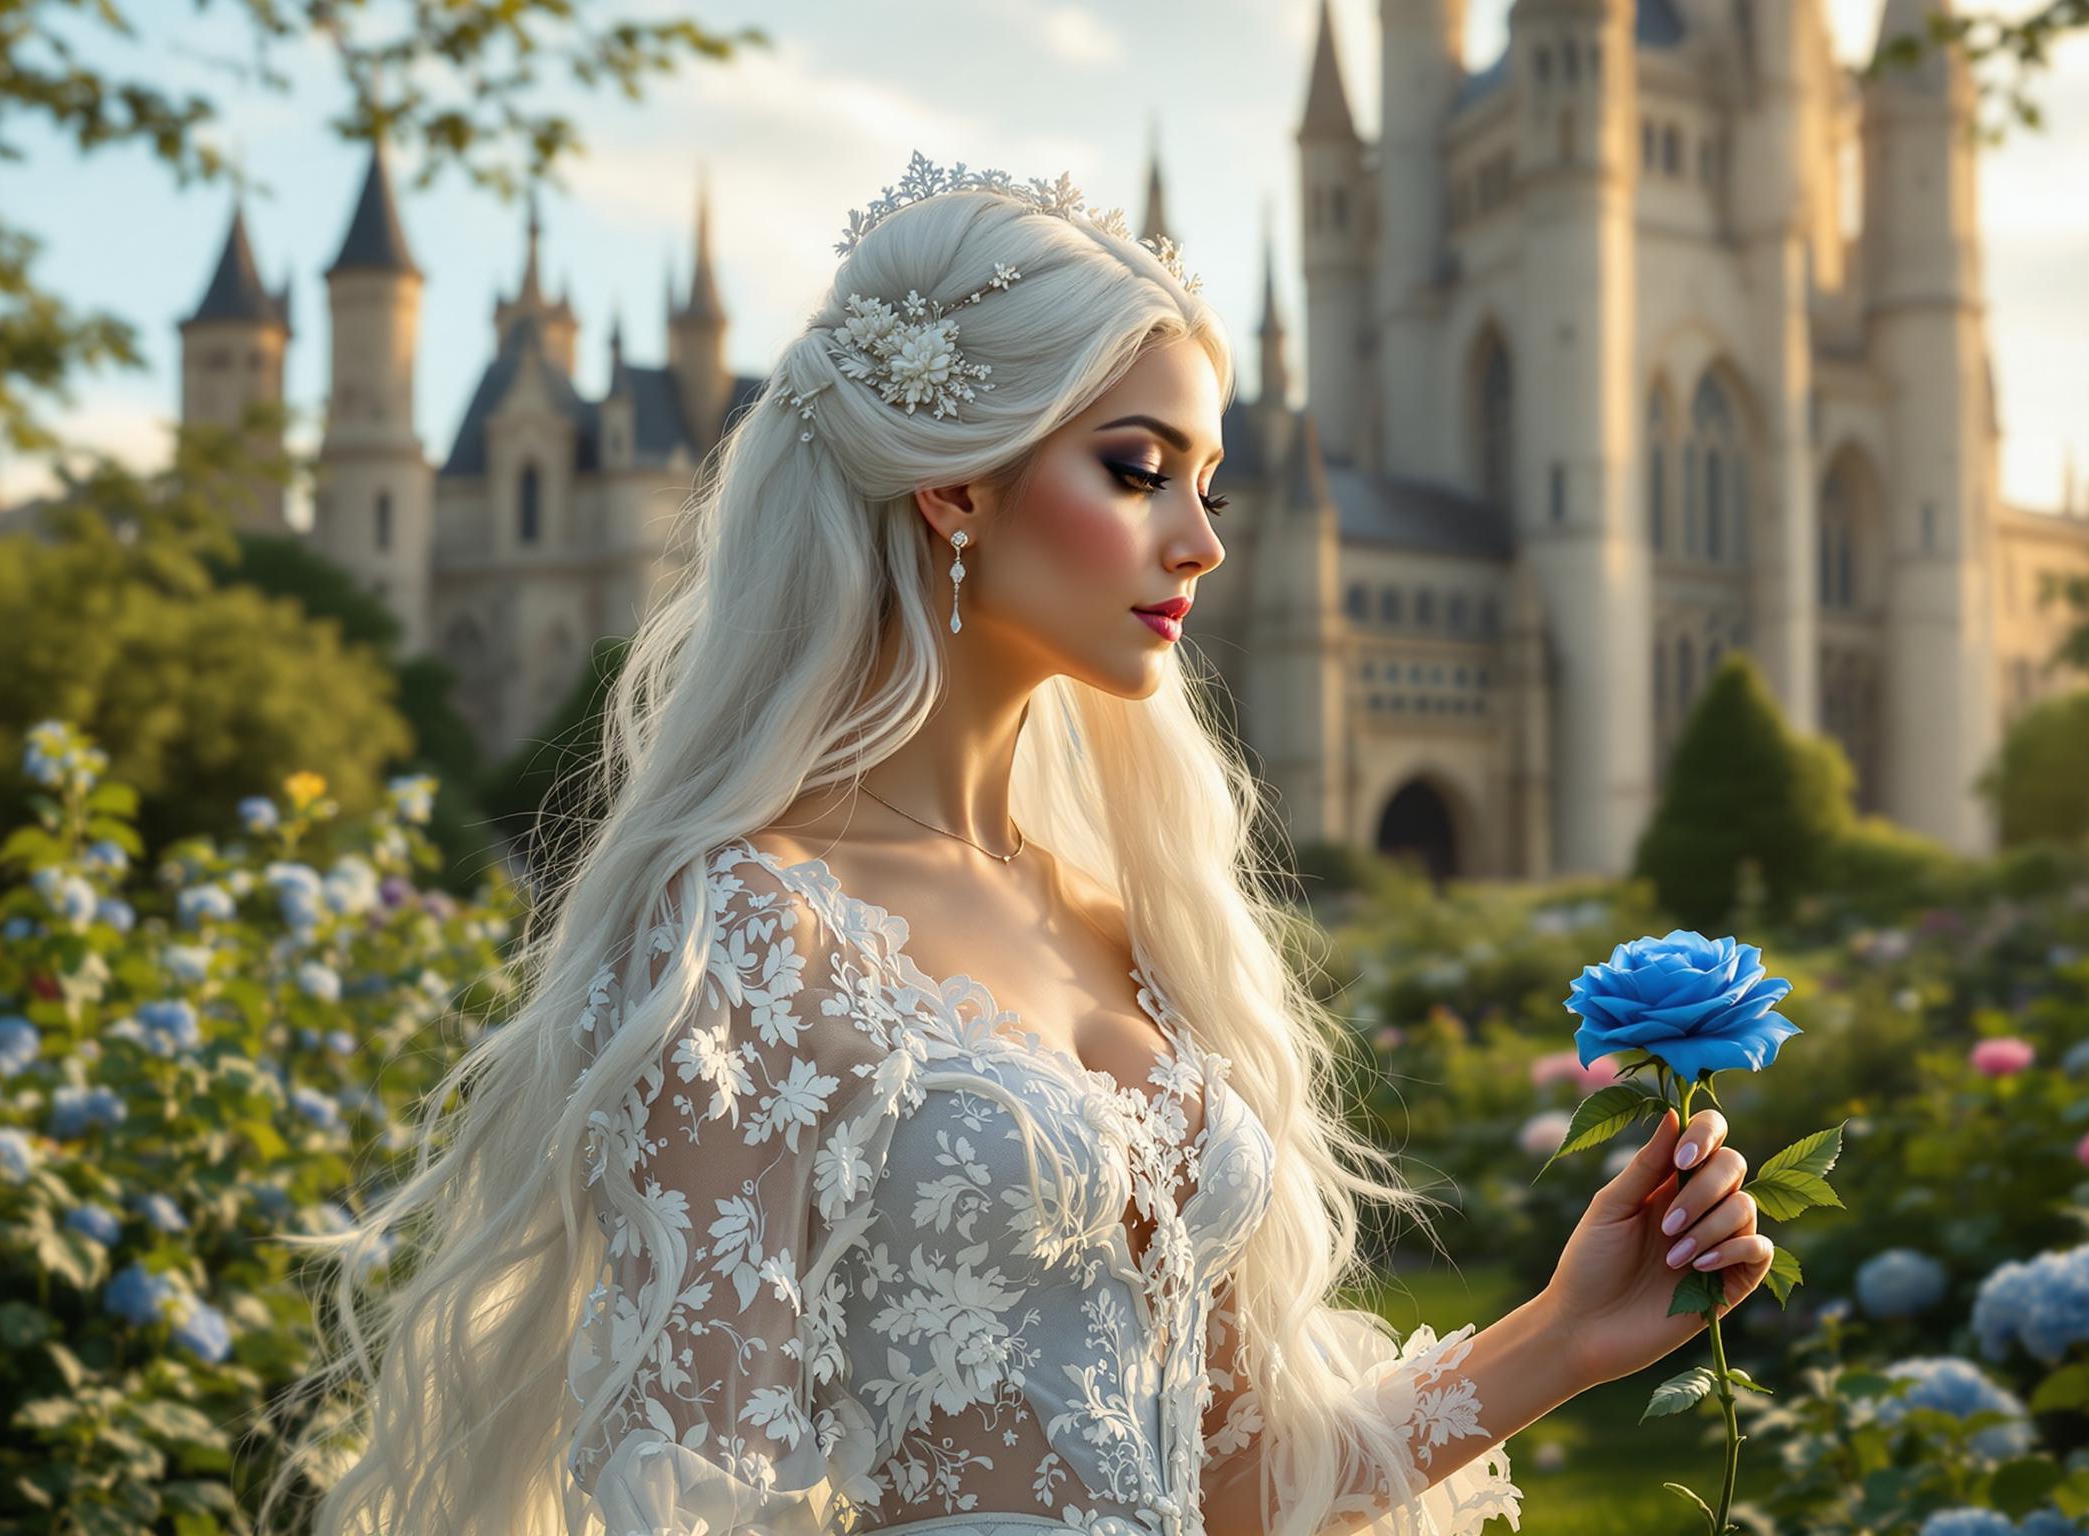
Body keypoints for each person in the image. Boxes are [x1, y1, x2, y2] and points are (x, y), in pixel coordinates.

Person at [267, 154, 1772, 1536]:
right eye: (1138, 469)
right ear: (956, 483)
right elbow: (693, 1501)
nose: (1203, 540)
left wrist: (1563, 1335)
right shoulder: (749, 930)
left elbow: (1232, 1487)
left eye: (1209, 485)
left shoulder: (1134, 926)